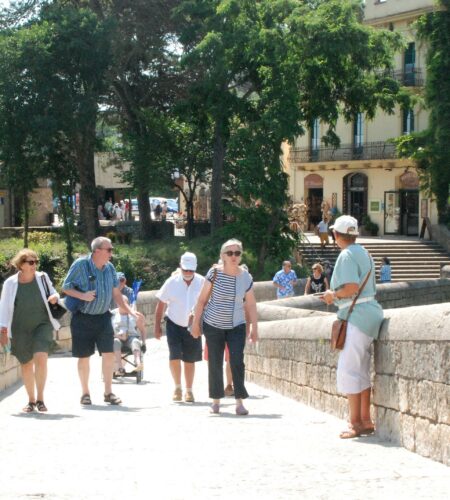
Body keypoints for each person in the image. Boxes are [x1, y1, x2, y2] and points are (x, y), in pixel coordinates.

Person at [321, 215, 383, 439]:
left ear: (336, 235)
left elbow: (351, 288)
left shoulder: (346, 255)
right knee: (362, 370)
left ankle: (355, 423)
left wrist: (332, 295)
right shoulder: (364, 252)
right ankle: (365, 420)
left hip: (356, 316)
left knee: (349, 370)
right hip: (370, 315)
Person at [62, 236, 142, 406]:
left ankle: (108, 392)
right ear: (97, 251)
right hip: (82, 318)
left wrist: (130, 311)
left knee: (109, 354)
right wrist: (82, 295)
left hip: (104, 317)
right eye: (109, 249)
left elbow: (116, 294)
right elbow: (66, 287)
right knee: (84, 357)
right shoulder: (80, 265)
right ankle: (85, 393)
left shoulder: (110, 268)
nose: (112, 253)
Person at [191, 239, 258, 416]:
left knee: (237, 361)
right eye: (230, 253)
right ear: (223, 256)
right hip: (213, 324)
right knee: (215, 361)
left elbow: (251, 304)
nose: (234, 256)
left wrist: (254, 328)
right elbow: (201, 300)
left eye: (237, 253)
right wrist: (195, 324)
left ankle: (239, 401)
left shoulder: (246, 277)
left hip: (237, 324)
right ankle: (216, 401)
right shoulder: (214, 273)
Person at [0, 249, 61, 412]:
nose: (35, 265)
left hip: (42, 324)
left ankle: (40, 399)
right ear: (21, 265)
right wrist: (2, 330)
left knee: (41, 358)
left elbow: (53, 292)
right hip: (20, 328)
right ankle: (31, 401)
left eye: (36, 262)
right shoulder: (10, 283)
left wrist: (54, 297)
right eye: (31, 262)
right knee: (26, 364)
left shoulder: (42, 277)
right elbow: (4, 307)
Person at [154, 252, 204, 403]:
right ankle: (177, 387)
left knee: (190, 359)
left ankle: (189, 390)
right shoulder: (171, 282)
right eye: (185, 269)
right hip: (174, 323)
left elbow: (208, 303)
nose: (188, 272)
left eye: (191, 270)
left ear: (195, 268)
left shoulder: (202, 282)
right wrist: (157, 326)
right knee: (174, 356)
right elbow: (161, 304)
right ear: (180, 267)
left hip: (193, 325)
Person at [112, 296, 146, 375]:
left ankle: (138, 363)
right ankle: (120, 367)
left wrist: (144, 343)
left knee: (135, 341)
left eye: (126, 303)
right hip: (117, 337)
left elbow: (143, 330)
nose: (124, 305)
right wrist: (117, 335)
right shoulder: (112, 314)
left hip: (131, 337)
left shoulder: (134, 315)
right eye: (121, 303)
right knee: (115, 342)